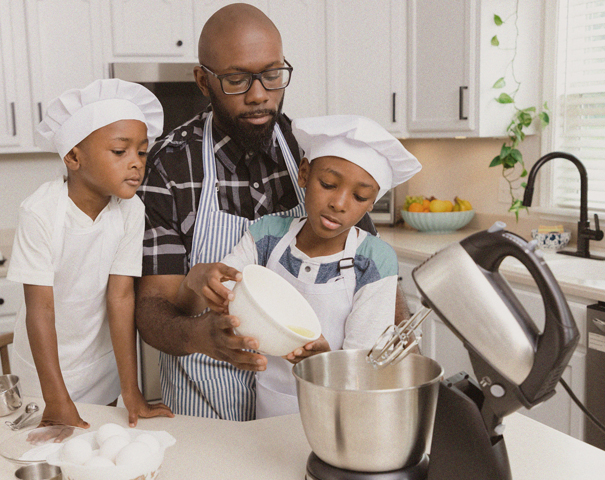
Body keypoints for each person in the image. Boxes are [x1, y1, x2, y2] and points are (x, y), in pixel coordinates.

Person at [135, 3, 407, 421]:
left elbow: (374, 275)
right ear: (203, 81)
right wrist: (201, 335)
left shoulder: (318, 154)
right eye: (236, 79)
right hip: (204, 413)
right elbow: (153, 309)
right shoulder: (171, 165)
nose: (259, 94)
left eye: (272, 74)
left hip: (303, 417)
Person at [176, 115, 421, 417]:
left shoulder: (375, 259)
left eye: (359, 196)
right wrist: (198, 277)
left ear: (372, 203)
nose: (340, 203)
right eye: (328, 184)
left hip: (340, 412)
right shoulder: (267, 234)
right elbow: (222, 293)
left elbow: (364, 367)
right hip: (268, 407)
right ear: (304, 173)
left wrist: (326, 362)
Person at [7, 79, 173, 428]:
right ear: (73, 157)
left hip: (101, 365)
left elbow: (121, 297)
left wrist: (132, 391)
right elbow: (41, 310)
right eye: (120, 151)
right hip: (46, 374)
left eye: (142, 152)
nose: (136, 164)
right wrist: (57, 399)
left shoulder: (131, 211)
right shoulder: (41, 212)